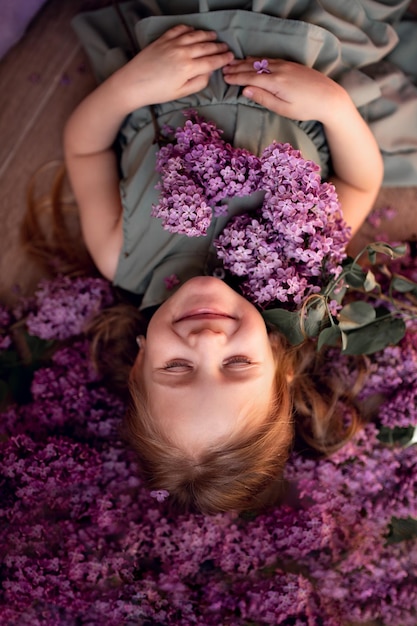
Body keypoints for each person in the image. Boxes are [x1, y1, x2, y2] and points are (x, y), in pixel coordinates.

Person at [56, 1, 417, 512]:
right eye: (237, 363)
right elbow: (361, 181)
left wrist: (129, 88)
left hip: (179, 41)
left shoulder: (121, 256)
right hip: (300, 42)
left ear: (139, 362)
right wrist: (333, 106)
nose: (206, 341)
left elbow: (83, 150)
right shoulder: (303, 270)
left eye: (177, 367)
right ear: (280, 369)